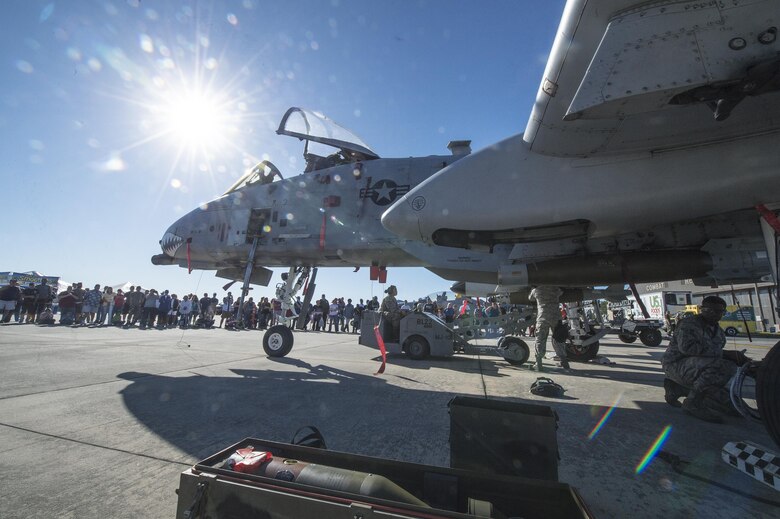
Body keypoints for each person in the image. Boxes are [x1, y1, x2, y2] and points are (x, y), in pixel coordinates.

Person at [661, 296, 746, 423]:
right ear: (702, 309)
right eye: (709, 310)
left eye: (719, 311)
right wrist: (726, 354)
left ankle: (677, 388)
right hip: (676, 364)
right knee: (724, 367)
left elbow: (713, 353)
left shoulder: (718, 331)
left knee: (736, 407)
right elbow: (687, 348)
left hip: (697, 367)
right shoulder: (689, 324)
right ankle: (693, 403)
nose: (714, 314)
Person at [529, 285, 569, 371]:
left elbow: (530, 298)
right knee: (559, 339)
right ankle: (564, 361)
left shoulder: (536, 290)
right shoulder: (556, 288)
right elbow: (562, 292)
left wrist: (532, 289)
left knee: (540, 340)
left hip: (543, 318)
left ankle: (538, 363)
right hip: (556, 317)